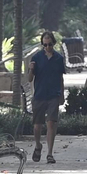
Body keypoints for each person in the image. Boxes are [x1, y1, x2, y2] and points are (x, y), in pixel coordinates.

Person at [29, 31, 66, 164]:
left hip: (53, 95)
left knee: (51, 123)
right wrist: (31, 69)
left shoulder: (59, 58)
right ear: (42, 44)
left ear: (54, 44)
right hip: (39, 95)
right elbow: (29, 79)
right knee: (37, 126)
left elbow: (61, 78)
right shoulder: (36, 58)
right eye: (45, 45)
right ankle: (38, 145)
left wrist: (62, 95)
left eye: (50, 44)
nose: (48, 47)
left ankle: (50, 153)